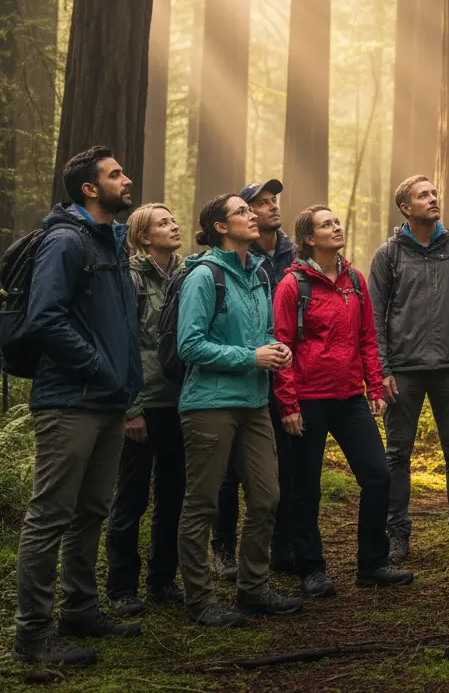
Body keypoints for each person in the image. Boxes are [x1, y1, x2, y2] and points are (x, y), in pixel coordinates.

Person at [13, 146, 143, 667]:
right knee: (50, 515)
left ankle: (81, 609)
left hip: (108, 400)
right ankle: (33, 636)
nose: (125, 179)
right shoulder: (66, 241)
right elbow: (45, 317)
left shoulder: (109, 242)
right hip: (70, 399)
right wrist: (99, 366)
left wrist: (121, 383)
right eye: (115, 175)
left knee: (92, 510)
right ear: (90, 188)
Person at [176, 194, 303, 627]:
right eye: (243, 212)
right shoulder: (204, 276)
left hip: (253, 403)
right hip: (209, 404)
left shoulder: (260, 274)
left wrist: (277, 347)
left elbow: (264, 331)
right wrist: (252, 357)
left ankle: (253, 589)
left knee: (267, 497)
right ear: (220, 228)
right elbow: (189, 345)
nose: (253, 216)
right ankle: (201, 602)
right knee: (202, 505)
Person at [274, 206, 414, 593]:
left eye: (336, 223)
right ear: (308, 239)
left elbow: (367, 338)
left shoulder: (354, 279)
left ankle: (372, 563)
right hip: (308, 399)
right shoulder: (292, 286)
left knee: (377, 476)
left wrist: (373, 388)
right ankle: (311, 569)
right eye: (326, 225)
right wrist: (288, 405)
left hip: (351, 397)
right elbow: (282, 345)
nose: (335, 228)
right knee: (305, 487)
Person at [368, 175, 449, 564]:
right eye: (424, 195)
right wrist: (382, 369)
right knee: (397, 454)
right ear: (406, 207)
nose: (434, 199)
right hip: (403, 369)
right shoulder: (388, 254)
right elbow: (375, 317)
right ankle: (397, 533)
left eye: (435, 193)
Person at [211, 179, 296, 579]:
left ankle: (279, 546)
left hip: (282, 371)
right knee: (229, 471)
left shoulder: (294, 254)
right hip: (239, 375)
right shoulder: (228, 263)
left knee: (279, 465)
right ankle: (223, 548)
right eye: (259, 203)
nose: (270, 207)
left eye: (272, 200)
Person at [106, 204, 186, 617]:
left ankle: (162, 580)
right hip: (144, 405)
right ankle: (121, 588)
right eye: (162, 223)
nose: (173, 226)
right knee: (132, 498)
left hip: (181, 402)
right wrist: (131, 408)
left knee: (173, 495)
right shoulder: (131, 278)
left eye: (174, 221)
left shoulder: (187, 275)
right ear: (142, 237)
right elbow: (123, 344)